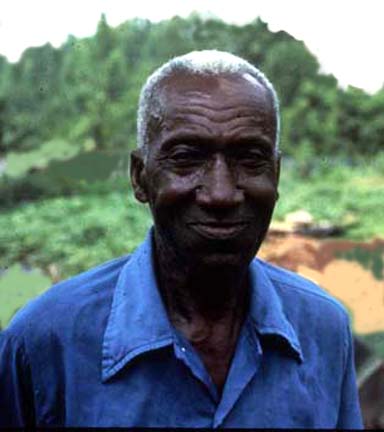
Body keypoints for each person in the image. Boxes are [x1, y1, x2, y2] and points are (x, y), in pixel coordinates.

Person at [0, 50, 363, 428]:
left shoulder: (324, 328)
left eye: (250, 159)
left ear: (276, 175)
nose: (221, 193)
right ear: (140, 177)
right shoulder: (45, 342)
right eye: (187, 157)